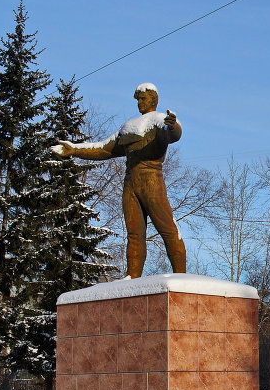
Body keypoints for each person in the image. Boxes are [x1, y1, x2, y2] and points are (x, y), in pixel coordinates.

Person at [51, 82, 187, 277]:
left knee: (167, 229)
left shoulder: (159, 120)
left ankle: (181, 277)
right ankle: (132, 276)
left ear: (154, 99)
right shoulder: (128, 126)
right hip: (130, 184)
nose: (140, 102)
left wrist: (174, 126)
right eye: (138, 99)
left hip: (152, 181)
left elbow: (172, 135)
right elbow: (104, 148)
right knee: (134, 234)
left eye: (143, 98)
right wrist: (74, 149)